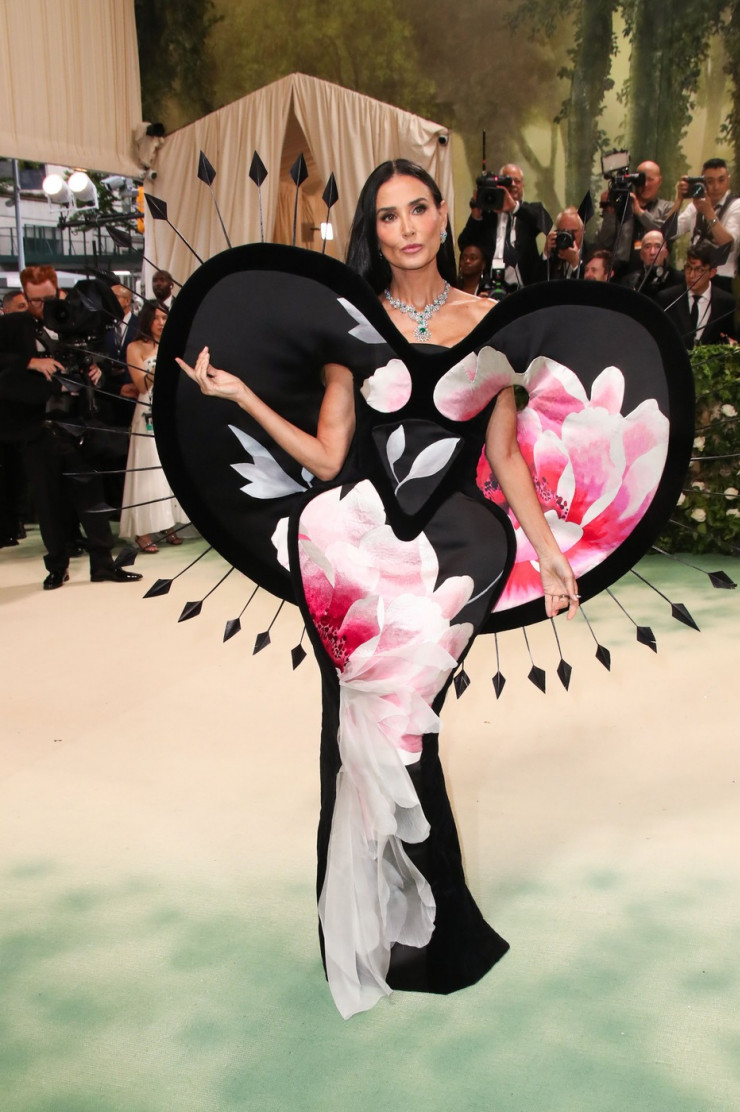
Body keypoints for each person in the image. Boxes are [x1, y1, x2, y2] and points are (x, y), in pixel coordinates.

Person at [178, 159, 579, 1019]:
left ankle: (454, 932)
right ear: (376, 227)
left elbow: (504, 457)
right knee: (352, 740)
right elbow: (327, 458)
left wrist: (548, 555)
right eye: (388, 215)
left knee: (399, 738)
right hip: (363, 553)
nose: (405, 227)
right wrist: (241, 394)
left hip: (464, 545)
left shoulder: (492, 324)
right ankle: (411, 924)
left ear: (445, 217)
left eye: (419, 208)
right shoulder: (350, 329)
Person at [0, 265, 142, 588]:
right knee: (48, 504)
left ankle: (103, 564)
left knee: (92, 497)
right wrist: (28, 362)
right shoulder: (13, 326)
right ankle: (56, 566)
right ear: (24, 296)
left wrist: (97, 373)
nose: (43, 306)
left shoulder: (74, 318)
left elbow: (103, 361)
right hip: (37, 427)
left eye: (49, 298)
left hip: (79, 424)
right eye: (35, 301)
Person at [119, 301, 183, 551]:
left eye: (164, 318)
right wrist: (160, 361)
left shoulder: (174, 343)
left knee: (168, 471)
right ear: (147, 320)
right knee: (147, 472)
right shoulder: (135, 348)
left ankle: (168, 524)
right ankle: (143, 530)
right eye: (156, 318)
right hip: (146, 413)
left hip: (169, 413)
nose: (160, 323)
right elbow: (142, 385)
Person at [457, 163, 549, 290]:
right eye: (508, 181)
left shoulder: (531, 210)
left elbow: (545, 223)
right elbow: (464, 244)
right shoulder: (487, 213)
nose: (513, 185)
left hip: (523, 286)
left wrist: (514, 208)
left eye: (517, 181)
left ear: (523, 185)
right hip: (488, 285)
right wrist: (476, 216)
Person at [673, 158, 740, 292]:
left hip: (720, 278)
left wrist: (709, 213)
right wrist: (679, 199)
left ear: (728, 179)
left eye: (721, 180)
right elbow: (670, 232)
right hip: (693, 275)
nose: (716, 187)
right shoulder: (694, 206)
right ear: (703, 182)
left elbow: (728, 245)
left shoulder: (737, 205)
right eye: (710, 181)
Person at [595, 159, 674, 276]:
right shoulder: (622, 205)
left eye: (650, 180)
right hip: (622, 272)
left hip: (655, 272)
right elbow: (605, 242)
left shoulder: (667, 207)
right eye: (641, 180)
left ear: (659, 181)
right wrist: (609, 212)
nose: (645, 184)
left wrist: (639, 212)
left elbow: (668, 232)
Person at [655, 243, 737, 349]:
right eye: (688, 268)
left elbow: (729, 337)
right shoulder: (667, 298)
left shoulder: (726, 302)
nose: (691, 275)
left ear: (712, 272)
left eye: (699, 270)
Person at [618, 229, 678, 296]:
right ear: (641, 254)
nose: (652, 252)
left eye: (658, 246)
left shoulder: (678, 280)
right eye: (647, 247)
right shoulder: (627, 282)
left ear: (666, 253)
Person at [543, 207, 584, 279]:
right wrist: (546, 253)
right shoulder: (553, 254)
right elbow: (535, 284)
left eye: (573, 232)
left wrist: (576, 263)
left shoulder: (593, 254)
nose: (568, 236)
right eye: (564, 232)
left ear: (583, 231)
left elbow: (590, 287)